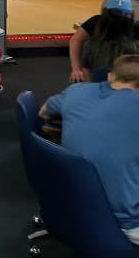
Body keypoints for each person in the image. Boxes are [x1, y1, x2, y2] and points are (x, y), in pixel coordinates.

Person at [40, 54, 139, 245]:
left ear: (110, 76)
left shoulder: (76, 91)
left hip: (73, 207)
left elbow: (43, 112)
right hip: (128, 222)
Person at [68, 0, 139, 83]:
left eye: (123, 15)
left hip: (125, 68)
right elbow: (76, 40)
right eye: (114, 14)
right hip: (98, 65)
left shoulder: (134, 28)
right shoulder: (96, 22)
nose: (118, 19)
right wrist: (76, 69)